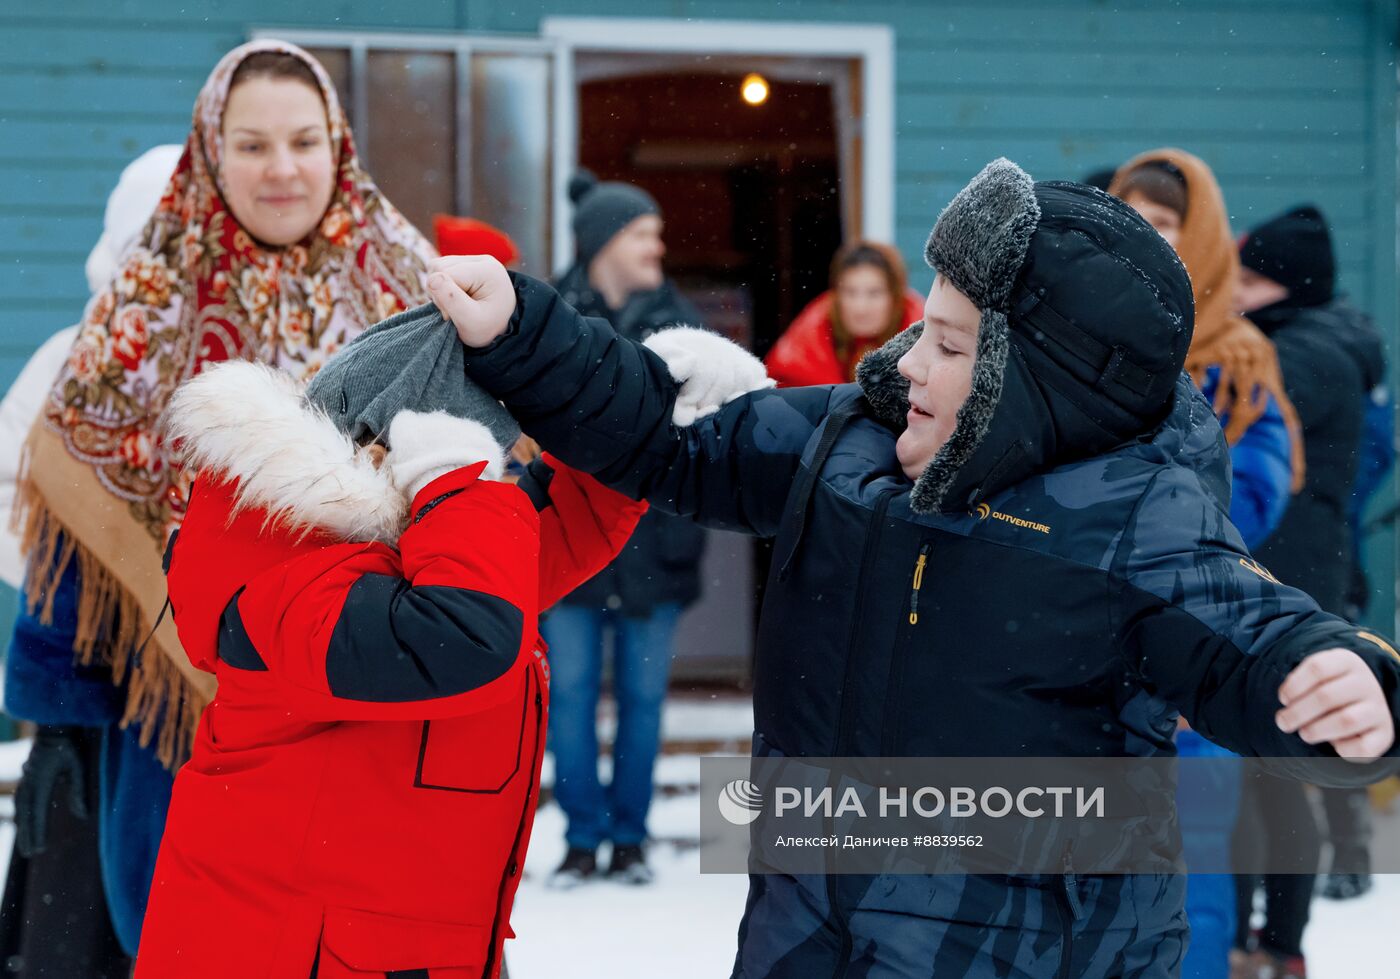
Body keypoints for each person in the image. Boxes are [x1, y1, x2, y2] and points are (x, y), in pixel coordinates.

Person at [433, 158, 1400, 978]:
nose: (904, 364)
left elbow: (1246, 630)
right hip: (808, 931)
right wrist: (525, 332)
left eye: (946, 343)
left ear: (1036, 385)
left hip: (1022, 948)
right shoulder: (851, 441)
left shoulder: (1131, 517)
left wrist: (1336, 677)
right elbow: (665, 437)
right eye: (917, 329)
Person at [2, 39, 437, 960]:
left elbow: (480, 506)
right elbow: (76, 529)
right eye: (251, 145)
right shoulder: (143, 310)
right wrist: (56, 723)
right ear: (210, 151)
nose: (282, 168)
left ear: (339, 147)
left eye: (304, 141)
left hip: (375, 710)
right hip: (187, 729)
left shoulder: (416, 299)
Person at [134, 299, 649, 976]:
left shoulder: (406, 553)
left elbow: (563, 520)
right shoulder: (280, 584)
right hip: (287, 952)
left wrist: (627, 395)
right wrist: (455, 477)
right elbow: (467, 634)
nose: (501, 477)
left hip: (391, 947)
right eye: (487, 462)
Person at [1110, 151, 1305, 979]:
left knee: (1189, 863)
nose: (1146, 238)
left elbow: (1250, 501)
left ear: (1200, 240)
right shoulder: (1071, 339)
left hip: (1194, 632)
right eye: (1131, 218)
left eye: (1163, 224)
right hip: (1074, 646)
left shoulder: (1237, 355)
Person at [0, 144, 180, 979]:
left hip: (212, 692)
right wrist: (95, 576)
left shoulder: (249, 347)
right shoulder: (73, 357)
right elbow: (11, 484)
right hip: (90, 681)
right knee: (77, 929)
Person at [544, 170, 710, 887]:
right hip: (566, 541)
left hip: (655, 544)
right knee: (571, 695)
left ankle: (631, 839)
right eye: (645, 233)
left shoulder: (684, 326)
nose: (658, 246)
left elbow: (705, 432)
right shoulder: (547, 317)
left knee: (643, 699)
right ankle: (582, 839)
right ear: (606, 240)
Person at [1237, 205, 1389, 935]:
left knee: (1275, 773)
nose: (1233, 290)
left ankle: (1278, 935)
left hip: (1285, 578)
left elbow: (1229, 428)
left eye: (1247, 278)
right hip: (1306, 565)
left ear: (1281, 285)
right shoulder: (1319, 340)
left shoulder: (1300, 356)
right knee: (1280, 764)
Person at [764, 240, 923, 388]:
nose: (860, 308)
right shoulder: (806, 343)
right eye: (850, 292)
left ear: (895, 298)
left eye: (874, 293)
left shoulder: (924, 336)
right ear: (836, 295)